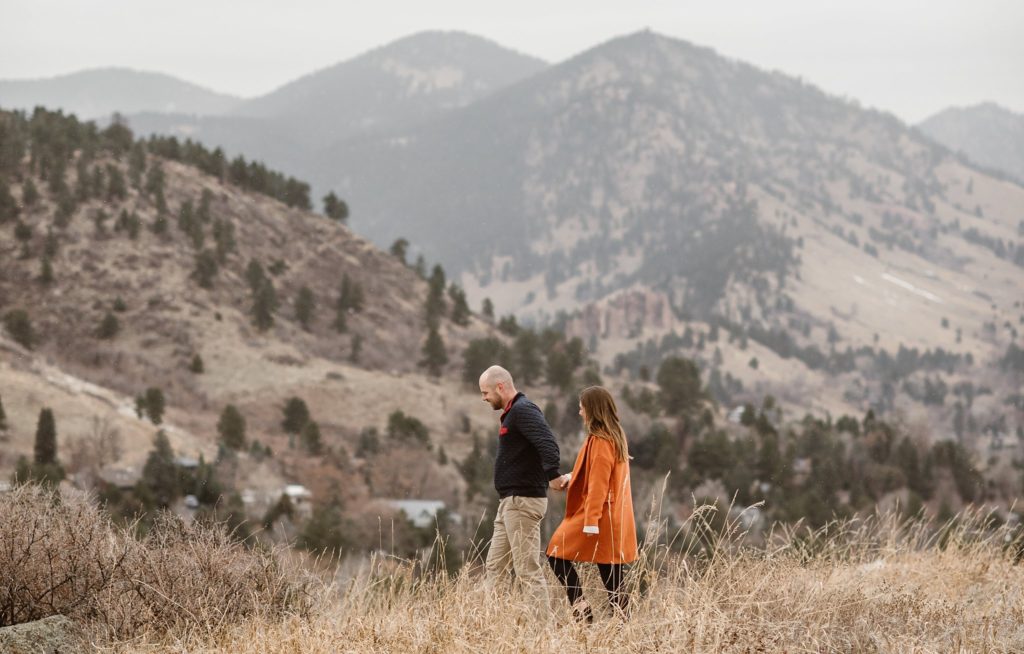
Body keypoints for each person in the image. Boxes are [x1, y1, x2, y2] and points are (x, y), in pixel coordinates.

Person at [546, 386, 638, 620]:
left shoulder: (600, 441)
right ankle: (623, 626)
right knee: (613, 577)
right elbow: (594, 473)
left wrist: (590, 521)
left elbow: (599, 484)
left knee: (556, 552)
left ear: (592, 410)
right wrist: (570, 477)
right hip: (613, 517)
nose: (579, 412)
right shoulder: (614, 436)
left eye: (582, 407)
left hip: (600, 517)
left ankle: (582, 610)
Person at [478, 365, 563, 607]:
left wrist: (553, 475)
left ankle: (542, 634)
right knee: (495, 567)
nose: (483, 398)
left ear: (500, 387)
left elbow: (547, 443)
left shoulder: (524, 410)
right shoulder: (513, 412)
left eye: (485, 392)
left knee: (527, 571)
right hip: (510, 501)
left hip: (523, 501)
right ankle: (488, 627)